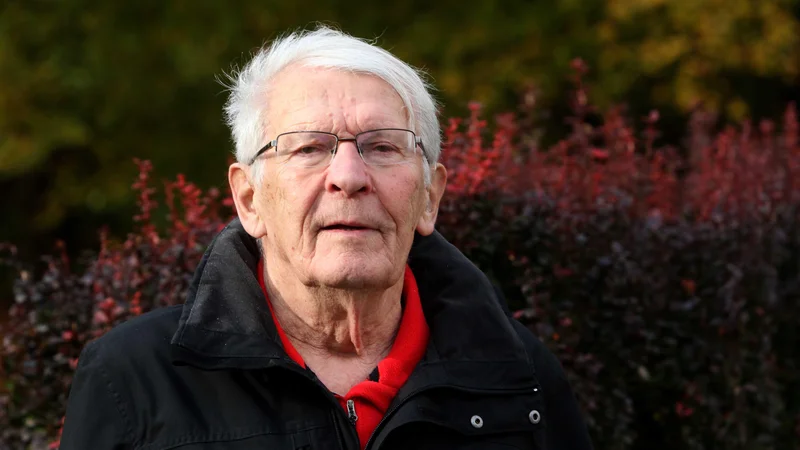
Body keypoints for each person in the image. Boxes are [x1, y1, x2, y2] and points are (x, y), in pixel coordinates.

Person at [60, 26, 593, 450]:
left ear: (429, 197)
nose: (349, 175)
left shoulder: (520, 376)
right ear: (249, 200)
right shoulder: (132, 379)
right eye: (308, 148)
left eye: (383, 146)